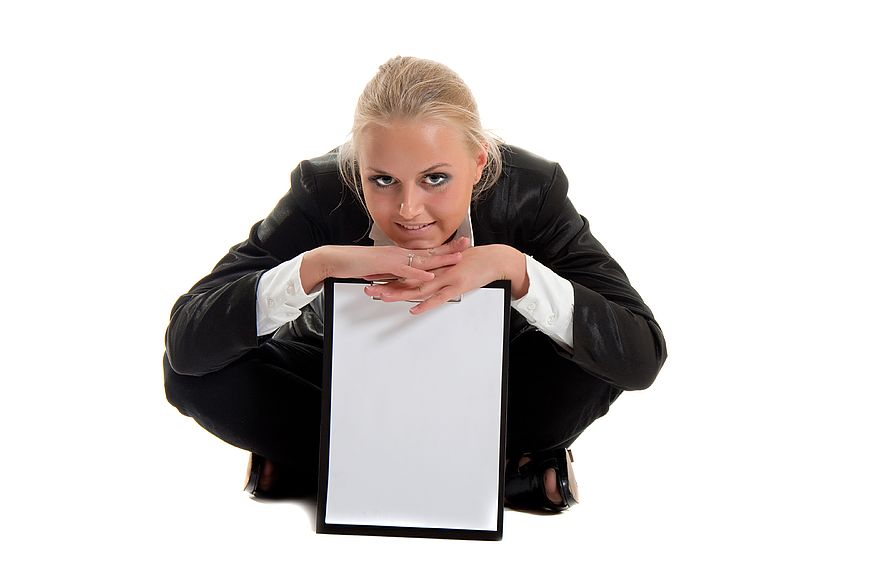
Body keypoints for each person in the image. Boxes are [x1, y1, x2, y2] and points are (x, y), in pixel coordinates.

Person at [163, 55, 667, 513]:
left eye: (435, 179)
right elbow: (187, 343)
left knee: (599, 352)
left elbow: (641, 353)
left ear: (479, 164)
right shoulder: (320, 191)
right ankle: (496, 466)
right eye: (381, 180)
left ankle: (332, 464)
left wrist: (517, 271)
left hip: (491, 385)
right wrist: (313, 266)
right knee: (192, 375)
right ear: (355, 168)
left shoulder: (532, 191)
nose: (408, 210)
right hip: (344, 384)